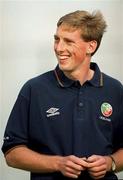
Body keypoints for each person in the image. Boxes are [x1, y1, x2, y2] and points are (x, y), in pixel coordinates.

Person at [1, 10, 123, 180]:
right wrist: (58, 163)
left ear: (91, 46)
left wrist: (110, 162)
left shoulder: (115, 90)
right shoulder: (34, 89)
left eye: (68, 41)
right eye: (57, 39)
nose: (59, 48)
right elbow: (12, 154)